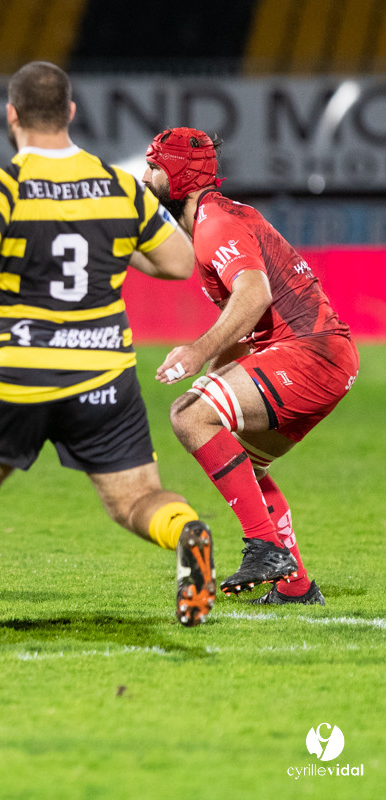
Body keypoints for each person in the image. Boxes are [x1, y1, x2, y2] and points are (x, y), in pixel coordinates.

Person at [0, 61, 215, 662]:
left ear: (11, 115)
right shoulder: (118, 185)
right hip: (103, 374)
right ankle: (186, 533)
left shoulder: (1, 184)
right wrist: (121, 249)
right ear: (72, 113)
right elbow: (179, 262)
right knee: (135, 501)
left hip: (16, 374)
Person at [144, 128, 358, 605]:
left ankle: (264, 546)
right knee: (247, 469)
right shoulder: (221, 218)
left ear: (178, 174)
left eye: (155, 167)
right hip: (326, 355)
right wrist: (216, 368)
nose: (146, 178)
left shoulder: (214, 224)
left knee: (188, 415)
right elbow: (249, 322)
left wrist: (196, 353)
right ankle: (296, 587)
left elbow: (254, 295)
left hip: (309, 353)